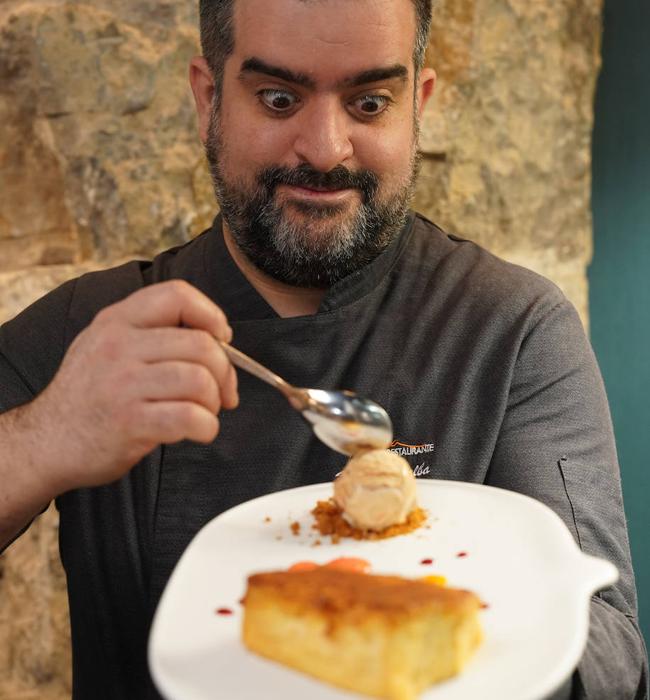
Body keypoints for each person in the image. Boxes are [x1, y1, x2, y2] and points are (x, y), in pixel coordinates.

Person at [0, 0, 647, 698]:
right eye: (279, 98)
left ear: (417, 106)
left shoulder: (514, 330)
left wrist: (436, 622)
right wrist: (43, 439)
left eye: (369, 103)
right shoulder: (94, 331)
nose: (325, 148)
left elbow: (611, 656)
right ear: (208, 99)